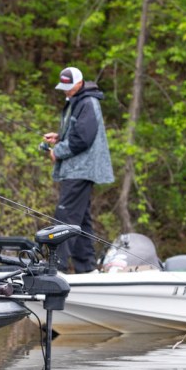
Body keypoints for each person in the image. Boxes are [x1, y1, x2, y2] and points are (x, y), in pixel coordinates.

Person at [43, 66, 114, 273]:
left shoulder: (87, 102)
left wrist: (58, 151)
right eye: (64, 87)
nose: (66, 90)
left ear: (80, 83)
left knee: (65, 215)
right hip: (78, 169)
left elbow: (83, 139)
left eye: (69, 86)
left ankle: (56, 267)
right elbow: (78, 131)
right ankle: (87, 268)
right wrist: (59, 137)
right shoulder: (79, 101)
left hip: (80, 170)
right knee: (81, 219)